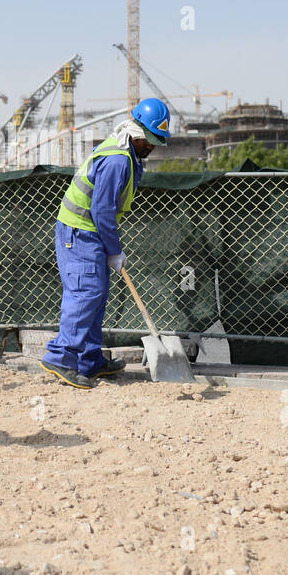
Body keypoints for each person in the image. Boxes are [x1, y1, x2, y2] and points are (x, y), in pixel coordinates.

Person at [42, 98, 171, 388]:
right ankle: (62, 358)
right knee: (86, 293)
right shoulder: (116, 160)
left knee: (97, 296)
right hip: (80, 233)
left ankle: (89, 360)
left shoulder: (127, 153)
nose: (152, 146)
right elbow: (102, 210)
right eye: (150, 139)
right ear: (136, 132)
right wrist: (115, 251)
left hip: (89, 232)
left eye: (157, 141)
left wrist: (111, 249)